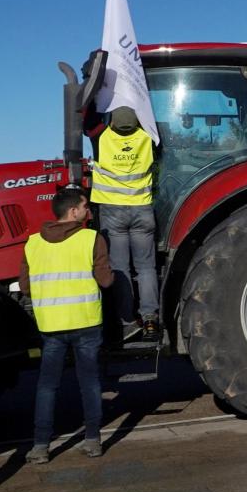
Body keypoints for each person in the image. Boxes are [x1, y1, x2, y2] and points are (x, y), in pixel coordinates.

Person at [21, 187, 112, 463]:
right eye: (85, 207)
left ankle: (40, 446)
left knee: (47, 386)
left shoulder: (33, 243)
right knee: (89, 383)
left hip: (51, 326)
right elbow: (105, 281)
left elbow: (25, 288)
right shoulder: (91, 238)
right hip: (85, 323)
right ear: (73, 211)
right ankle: (93, 440)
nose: (87, 211)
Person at [90, 105, 160, 342]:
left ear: (111, 121)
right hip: (142, 208)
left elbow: (87, 119)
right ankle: (150, 318)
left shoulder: (101, 137)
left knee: (120, 269)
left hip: (112, 212)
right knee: (146, 268)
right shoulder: (147, 136)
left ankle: (128, 323)